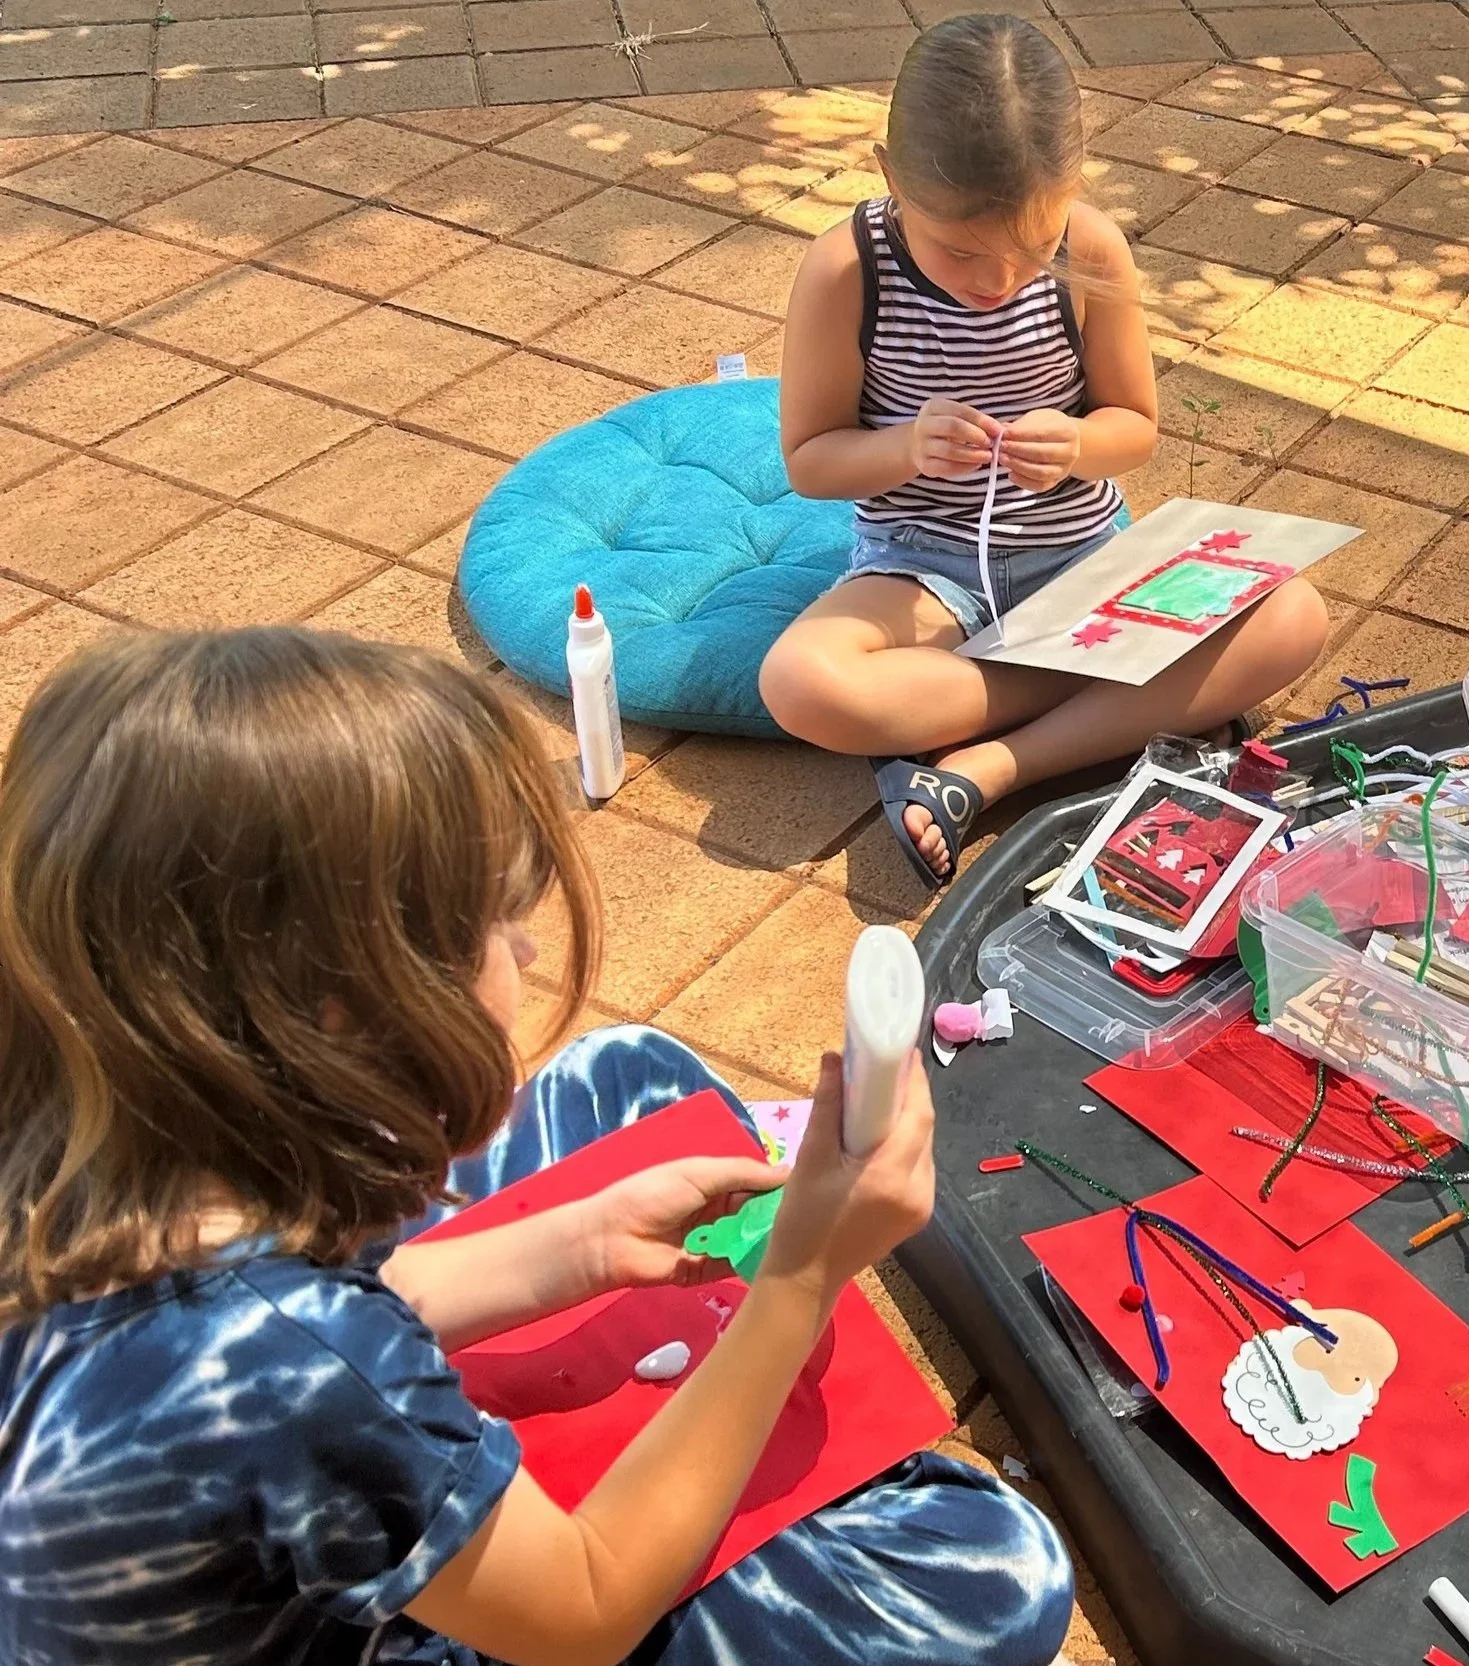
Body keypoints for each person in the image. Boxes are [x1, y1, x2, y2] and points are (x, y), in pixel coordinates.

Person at [0, 629, 1073, 1666]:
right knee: (995, 1569)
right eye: (497, 927)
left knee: (631, 1073)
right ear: (342, 1007)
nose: (523, 948)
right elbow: (585, 1608)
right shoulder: (305, 1365)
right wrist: (799, 1276)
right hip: (454, 1615)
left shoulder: (90, 1147)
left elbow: (328, 1304)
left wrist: (578, 1246)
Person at [763, 13, 1328, 886]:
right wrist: (907, 448)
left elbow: (1132, 427)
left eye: (1029, 249)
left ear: (1074, 182)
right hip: (923, 569)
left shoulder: (1091, 244)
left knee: (1295, 615)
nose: (996, 283)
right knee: (802, 682)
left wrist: (1075, 446)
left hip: (1082, 562)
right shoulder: (848, 268)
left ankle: (992, 765)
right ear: (888, 177)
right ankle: (1104, 691)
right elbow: (810, 459)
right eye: (959, 251)